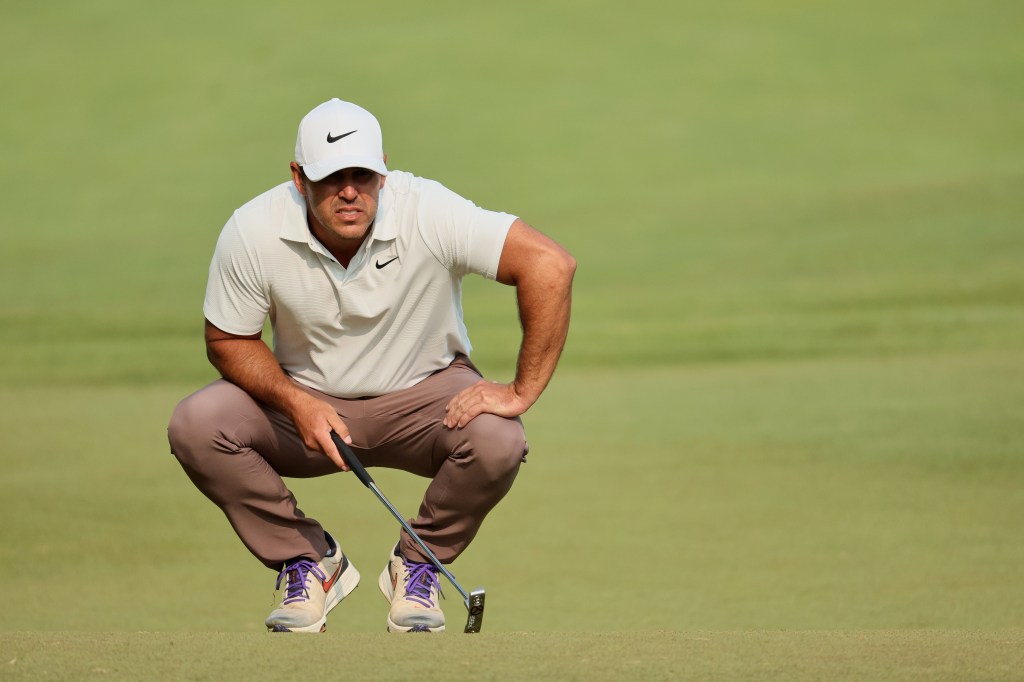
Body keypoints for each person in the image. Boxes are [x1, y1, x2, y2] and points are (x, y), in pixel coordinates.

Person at [167, 98, 576, 633]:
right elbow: (227, 340)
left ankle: (418, 563)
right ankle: (309, 562)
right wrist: (296, 401)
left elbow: (550, 265)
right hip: (304, 405)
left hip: (426, 397)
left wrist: (522, 392)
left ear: (383, 170)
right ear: (298, 177)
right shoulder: (253, 230)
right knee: (196, 424)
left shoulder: (427, 209)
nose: (350, 191)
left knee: (500, 439)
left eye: (363, 174)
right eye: (331, 177)